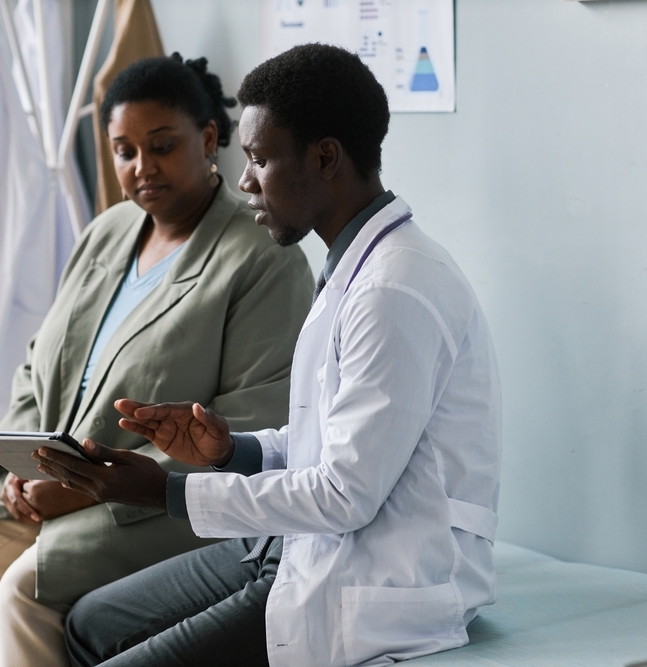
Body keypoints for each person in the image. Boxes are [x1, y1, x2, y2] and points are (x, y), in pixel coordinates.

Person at [36, 43, 502, 667]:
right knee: (90, 622)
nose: (245, 181)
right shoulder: (351, 266)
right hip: (297, 544)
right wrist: (233, 451)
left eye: (257, 159)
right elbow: (332, 442)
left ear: (325, 157)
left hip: (374, 575)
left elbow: (344, 494)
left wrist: (167, 491)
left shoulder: (395, 290)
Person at [0, 54, 314, 667]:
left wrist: (91, 488)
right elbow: (39, 365)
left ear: (207, 139)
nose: (142, 168)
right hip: (47, 486)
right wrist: (18, 463)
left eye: (162, 145)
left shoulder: (259, 258)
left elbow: (247, 423)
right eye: (123, 151)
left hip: (151, 504)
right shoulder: (109, 232)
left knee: (24, 592)